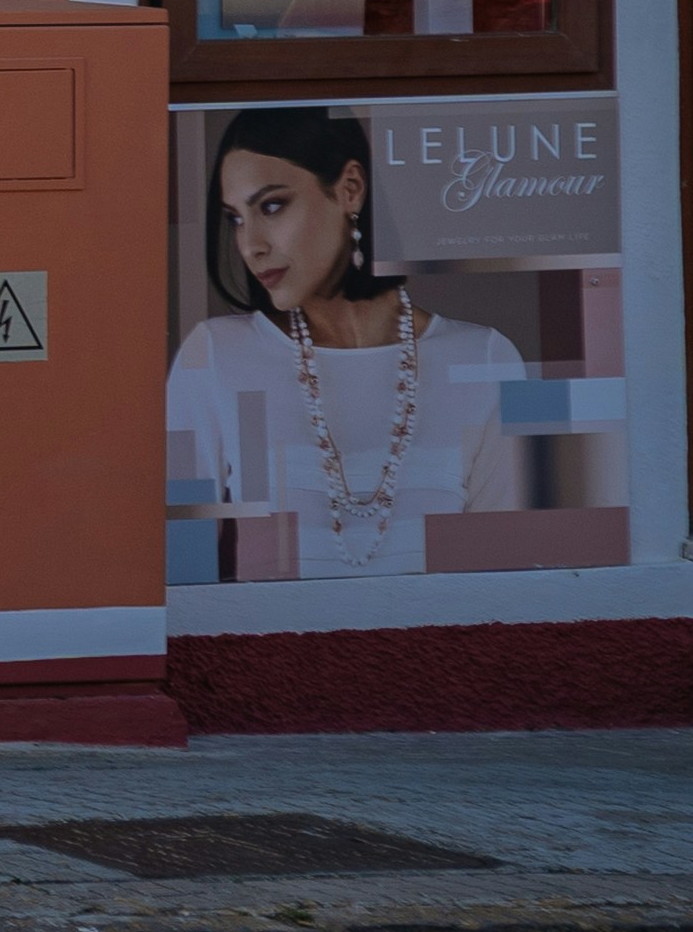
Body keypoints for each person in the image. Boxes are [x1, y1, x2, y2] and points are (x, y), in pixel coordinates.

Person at [165, 106, 526, 580]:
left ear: (349, 189)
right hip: (267, 651)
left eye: (271, 206)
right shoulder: (215, 355)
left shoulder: (483, 359)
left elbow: (506, 576)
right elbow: (181, 571)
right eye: (236, 218)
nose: (250, 244)